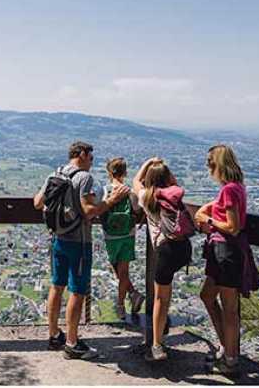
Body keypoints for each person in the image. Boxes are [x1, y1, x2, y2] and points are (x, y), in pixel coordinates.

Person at [34, 141, 129, 360]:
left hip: (57, 239)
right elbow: (89, 211)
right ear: (83, 154)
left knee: (57, 286)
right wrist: (111, 200)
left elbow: (38, 202)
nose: (92, 162)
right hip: (78, 241)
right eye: (91, 158)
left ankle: (54, 335)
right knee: (77, 291)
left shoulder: (55, 174)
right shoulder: (84, 178)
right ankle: (72, 343)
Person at [195, 144, 248, 378]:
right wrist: (210, 208)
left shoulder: (229, 190)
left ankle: (230, 359)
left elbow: (233, 227)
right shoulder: (235, 188)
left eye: (210, 162)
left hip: (226, 252)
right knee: (207, 295)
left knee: (229, 310)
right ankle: (227, 348)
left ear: (218, 163)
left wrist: (209, 220)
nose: (207, 167)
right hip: (221, 252)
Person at [133, 157, 193, 362]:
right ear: (168, 178)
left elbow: (135, 181)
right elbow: (174, 182)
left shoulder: (148, 198)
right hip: (183, 249)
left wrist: (147, 163)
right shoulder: (175, 195)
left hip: (165, 251)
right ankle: (163, 326)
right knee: (167, 293)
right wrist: (166, 172)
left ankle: (157, 345)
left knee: (160, 298)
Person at [101, 157, 145, 319]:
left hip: (110, 235)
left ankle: (123, 304)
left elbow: (100, 208)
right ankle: (130, 296)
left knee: (117, 269)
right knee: (123, 271)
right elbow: (137, 209)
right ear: (125, 173)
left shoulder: (104, 190)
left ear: (109, 172)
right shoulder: (129, 192)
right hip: (128, 234)